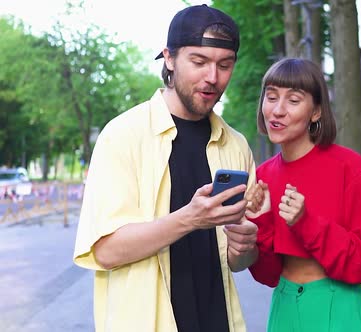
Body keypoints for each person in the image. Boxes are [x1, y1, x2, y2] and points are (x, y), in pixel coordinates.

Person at [73, 5, 261, 332]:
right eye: (199, 62)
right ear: (169, 58)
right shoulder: (122, 136)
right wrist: (190, 218)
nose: (212, 77)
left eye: (224, 65)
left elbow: (238, 262)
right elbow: (105, 250)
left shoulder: (236, 145)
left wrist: (244, 248)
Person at [247, 58, 361, 331]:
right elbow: (267, 275)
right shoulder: (263, 176)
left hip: (338, 307)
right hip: (283, 307)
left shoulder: (350, 168)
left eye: (294, 100)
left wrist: (306, 222)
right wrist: (261, 222)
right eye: (271, 97)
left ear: (316, 112)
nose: (277, 110)